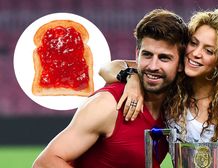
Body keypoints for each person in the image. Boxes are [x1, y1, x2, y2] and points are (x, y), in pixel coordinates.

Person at [100, 8, 218, 167]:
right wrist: (132, 78)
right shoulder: (172, 87)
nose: (196, 53)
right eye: (194, 43)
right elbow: (107, 68)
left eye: (209, 51)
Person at [32, 9, 188, 168]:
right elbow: (45, 163)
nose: (153, 66)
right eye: (147, 55)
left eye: (164, 58)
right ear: (137, 55)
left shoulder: (176, 106)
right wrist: (131, 75)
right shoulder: (108, 104)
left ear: (181, 64)